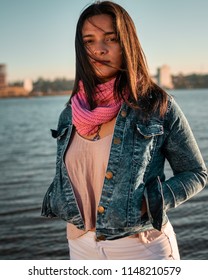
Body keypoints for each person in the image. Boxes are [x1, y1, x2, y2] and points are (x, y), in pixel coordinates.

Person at [41, 1, 207, 260]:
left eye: (111, 39)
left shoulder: (156, 106)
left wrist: (147, 202)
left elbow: (196, 173)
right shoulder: (70, 112)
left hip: (141, 247)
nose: (99, 49)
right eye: (88, 41)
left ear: (127, 43)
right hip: (80, 245)